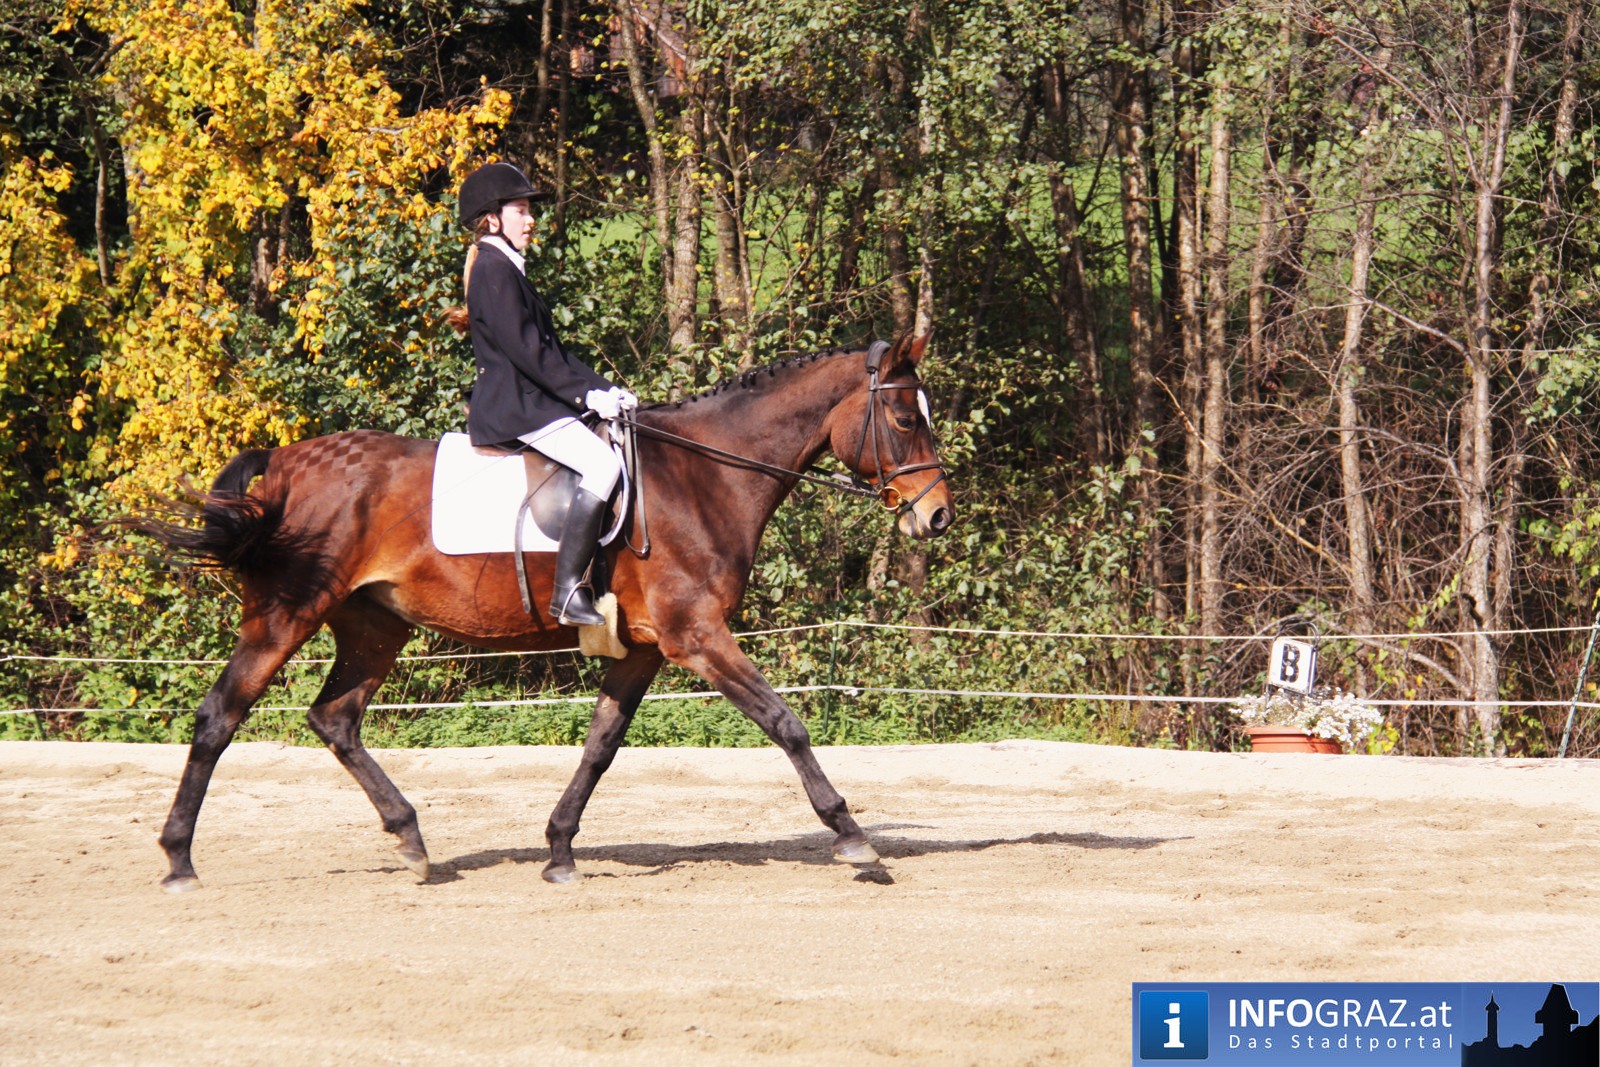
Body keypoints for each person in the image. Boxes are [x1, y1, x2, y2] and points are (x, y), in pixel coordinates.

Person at [449, 161, 635, 627]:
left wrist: (606, 390)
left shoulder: (504, 266)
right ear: (492, 219)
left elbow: (552, 352)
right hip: (516, 408)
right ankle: (568, 591)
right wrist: (585, 398)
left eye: (530, 211)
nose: (531, 220)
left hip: (532, 402)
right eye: (521, 210)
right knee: (603, 465)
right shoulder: (494, 268)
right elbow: (529, 352)